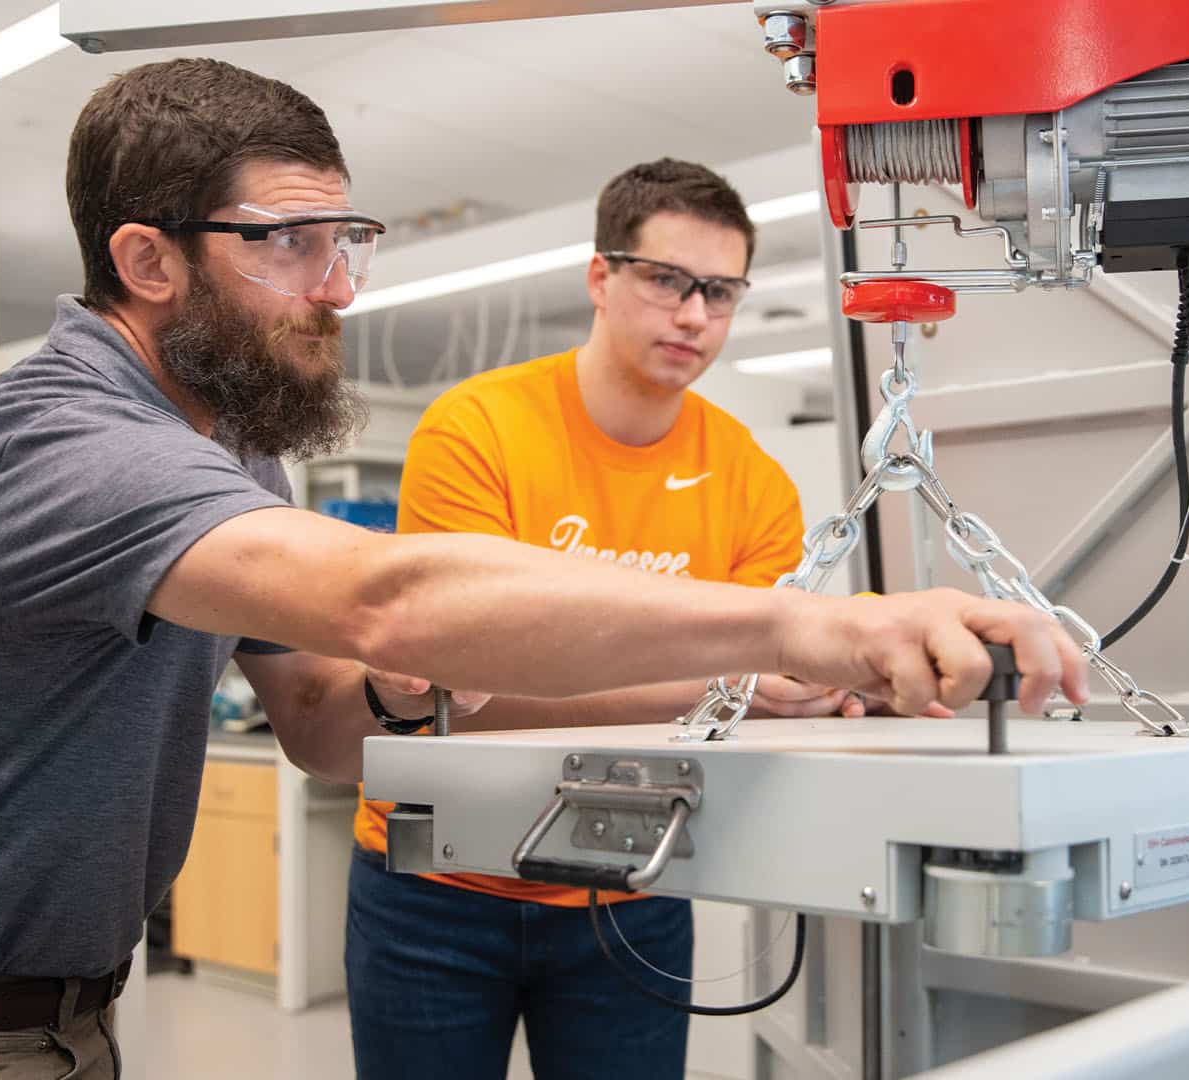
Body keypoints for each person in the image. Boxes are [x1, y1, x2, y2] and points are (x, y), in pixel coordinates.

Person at [0, 59, 1087, 1077]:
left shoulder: (234, 450)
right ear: (147, 260)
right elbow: (387, 597)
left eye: (345, 239)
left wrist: (422, 690)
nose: (338, 287)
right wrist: (803, 631)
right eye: (289, 245)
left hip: (60, 1018)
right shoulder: (62, 440)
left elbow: (323, 715)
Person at [345, 158, 869, 1079]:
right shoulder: (477, 431)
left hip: (637, 882)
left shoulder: (749, 478)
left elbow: (766, 691)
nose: (694, 315)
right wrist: (720, 678)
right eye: (668, 280)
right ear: (601, 276)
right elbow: (462, 694)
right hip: (436, 886)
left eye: (719, 290)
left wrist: (807, 687)